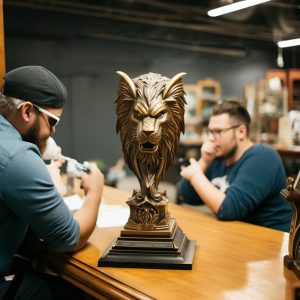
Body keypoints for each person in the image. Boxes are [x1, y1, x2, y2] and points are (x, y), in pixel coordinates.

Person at [0, 66, 104, 299]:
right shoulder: (18, 155)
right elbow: (68, 238)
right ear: (27, 111)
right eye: (52, 120)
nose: (53, 131)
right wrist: (95, 192)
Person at [179, 100, 291, 232]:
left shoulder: (263, 157)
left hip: (270, 241)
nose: (211, 138)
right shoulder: (219, 157)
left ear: (241, 132)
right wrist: (204, 161)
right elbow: (186, 196)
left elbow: (228, 210)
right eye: (210, 132)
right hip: (235, 234)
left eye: (218, 131)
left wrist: (195, 175)